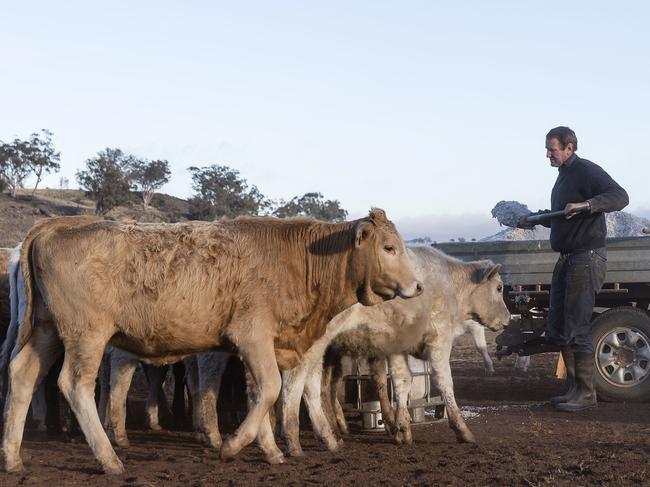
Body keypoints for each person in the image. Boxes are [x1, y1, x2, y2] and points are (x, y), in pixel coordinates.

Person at [518, 126, 629, 412]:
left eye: (552, 149)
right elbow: (562, 218)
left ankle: (586, 394)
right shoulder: (563, 178)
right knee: (560, 326)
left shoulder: (586, 171)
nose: (547, 155)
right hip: (568, 258)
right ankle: (574, 389)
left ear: (569, 148)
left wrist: (587, 204)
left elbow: (620, 196)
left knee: (578, 326)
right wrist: (534, 219)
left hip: (586, 257)